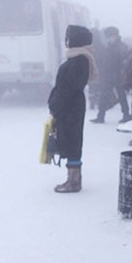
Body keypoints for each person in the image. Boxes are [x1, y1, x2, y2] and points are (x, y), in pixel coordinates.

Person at [48, 25, 98, 193]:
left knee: (72, 141)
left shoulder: (80, 59)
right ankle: (71, 178)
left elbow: (69, 87)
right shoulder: (78, 57)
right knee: (70, 140)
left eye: (70, 37)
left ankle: (74, 181)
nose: (67, 41)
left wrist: (55, 104)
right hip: (70, 106)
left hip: (71, 107)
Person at [90, 26, 130, 123]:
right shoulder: (110, 47)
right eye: (108, 37)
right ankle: (101, 116)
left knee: (121, 96)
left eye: (111, 36)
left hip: (118, 75)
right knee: (104, 96)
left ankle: (126, 115)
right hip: (109, 75)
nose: (109, 39)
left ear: (116, 36)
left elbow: (126, 63)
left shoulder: (121, 47)